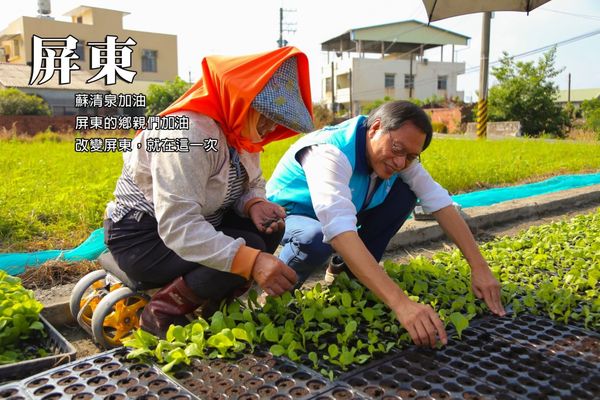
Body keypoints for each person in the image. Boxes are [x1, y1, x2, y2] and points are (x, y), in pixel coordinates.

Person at [103, 46, 313, 337]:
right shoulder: (187, 133)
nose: (270, 127)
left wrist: (254, 203)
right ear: (238, 100)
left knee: (266, 231)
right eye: (264, 115)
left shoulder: (238, 129)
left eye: (276, 119)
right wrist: (250, 261)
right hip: (144, 238)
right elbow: (179, 225)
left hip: (199, 222)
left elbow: (246, 182)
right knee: (246, 249)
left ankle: (214, 306)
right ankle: (161, 311)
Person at [266, 100, 505, 348]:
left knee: (405, 194)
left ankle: (348, 275)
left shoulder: (400, 156)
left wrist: (480, 268)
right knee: (315, 238)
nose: (401, 162)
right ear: (375, 128)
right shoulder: (330, 152)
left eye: (411, 156)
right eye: (398, 149)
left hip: (344, 210)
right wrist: (401, 304)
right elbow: (337, 228)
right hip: (288, 215)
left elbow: (439, 201)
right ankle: (276, 295)